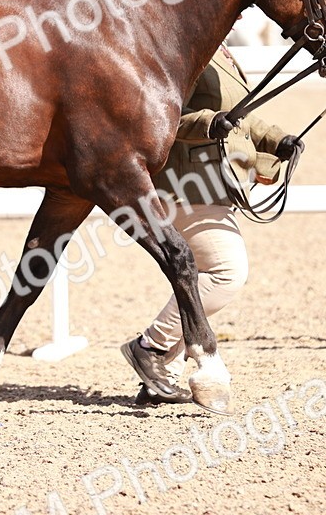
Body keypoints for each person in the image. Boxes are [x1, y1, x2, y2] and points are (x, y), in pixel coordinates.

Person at [120, 41, 304, 406]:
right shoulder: (185, 49)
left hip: (216, 184)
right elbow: (158, 113)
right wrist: (207, 123)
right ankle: (150, 347)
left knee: (204, 275)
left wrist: (277, 139)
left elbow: (241, 115)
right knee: (227, 272)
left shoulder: (220, 49)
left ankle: (162, 376)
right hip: (186, 183)